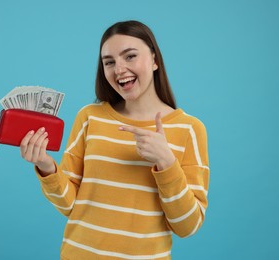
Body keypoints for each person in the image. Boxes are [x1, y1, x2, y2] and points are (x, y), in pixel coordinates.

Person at [20, 20, 210, 259]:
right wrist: (47, 168)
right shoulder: (90, 117)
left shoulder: (190, 129)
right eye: (109, 62)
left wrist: (167, 163)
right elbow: (72, 206)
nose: (118, 69)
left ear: (154, 60)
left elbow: (188, 226)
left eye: (130, 56)